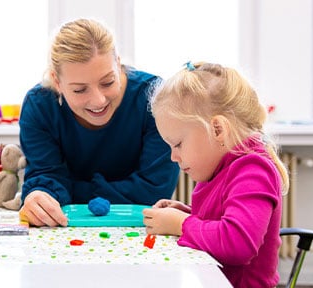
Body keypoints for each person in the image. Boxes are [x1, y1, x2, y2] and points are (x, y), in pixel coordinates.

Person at [18, 18, 179, 227]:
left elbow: (154, 189)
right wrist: (39, 197)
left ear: (118, 64)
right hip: (67, 230)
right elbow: (45, 178)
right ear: (57, 82)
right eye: (79, 90)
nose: (99, 100)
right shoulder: (39, 106)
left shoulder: (155, 98)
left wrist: (69, 190)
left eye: (108, 82)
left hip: (142, 227)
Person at [143, 61, 289, 287]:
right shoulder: (219, 167)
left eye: (178, 144)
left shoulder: (253, 170)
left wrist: (182, 224)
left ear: (218, 130)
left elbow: (238, 243)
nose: (173, 157)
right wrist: (189, 214)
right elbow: (226, 219)